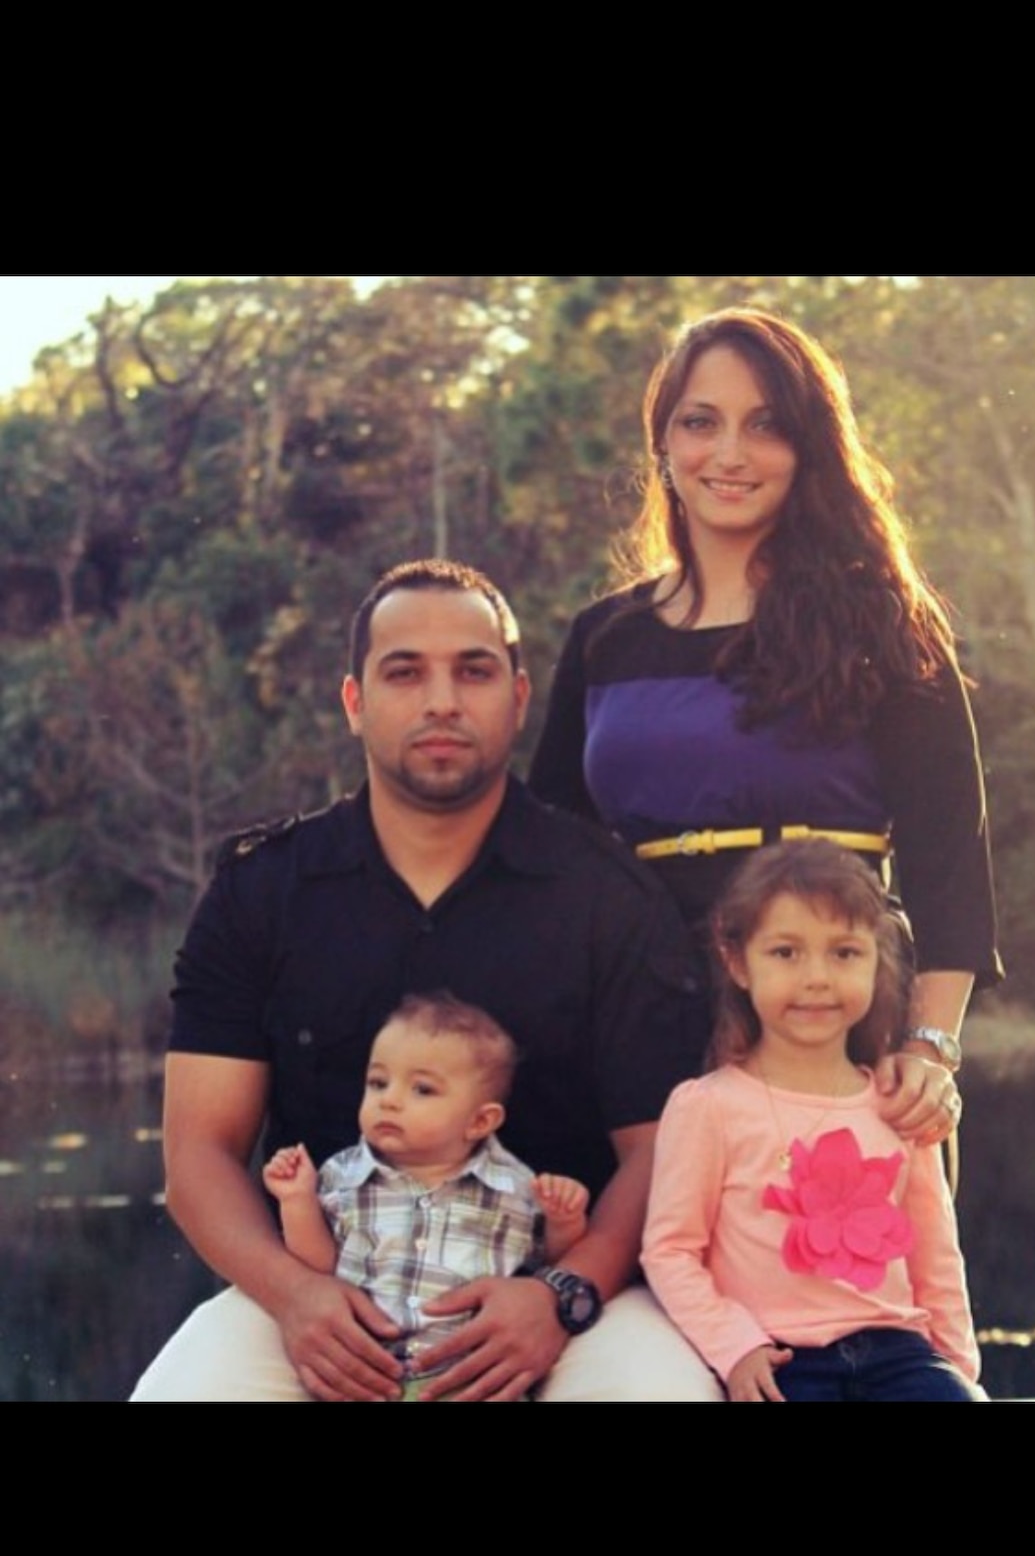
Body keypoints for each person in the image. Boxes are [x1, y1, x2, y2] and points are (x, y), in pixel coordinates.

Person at [131, 557, 722, 1403]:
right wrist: (295, 1297)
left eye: (473, 671)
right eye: (404, 672)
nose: (441, 700)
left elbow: (658, 1150)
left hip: (562, 1298)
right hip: (320, 1292)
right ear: (354, 702)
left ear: (517, 700)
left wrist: (562, 1295)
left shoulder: (607, 893)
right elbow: (198, 1155)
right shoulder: (262, 890)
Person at [529, 306, 1004, 1161]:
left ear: (808, 448)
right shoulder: (605, 637)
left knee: (843, 1285)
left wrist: (929, 1048)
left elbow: (949, 854)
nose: (729, 454)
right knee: (644, 1282)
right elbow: (550, 850)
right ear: (663, 445)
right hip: (640, 1023)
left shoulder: (880, 621)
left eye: (764, 426)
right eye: (699, 422)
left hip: (836, 1017)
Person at [642, 840, 985, 1401]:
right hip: (780, 1360)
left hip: (899, 1354)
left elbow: (937, 1257)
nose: (817, 977)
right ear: (738, 962)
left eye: (844, 953)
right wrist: (734, 1346)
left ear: (878, 959)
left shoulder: (897, 1103)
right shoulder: (708, 1106)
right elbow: (671, 1252)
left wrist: (958, 1371)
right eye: (786, 953)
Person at [262, 990, 590, 1397]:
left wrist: (564, 1221)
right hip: (364, 1377)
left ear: (479, 1121)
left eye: (422, 1090)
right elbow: (320, 1266)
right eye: (377, 1082)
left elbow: (549, 1267)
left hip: (473, 1381)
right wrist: (296, 1201)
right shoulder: (342, 1175)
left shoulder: (515, 1188)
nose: (390, 1101)